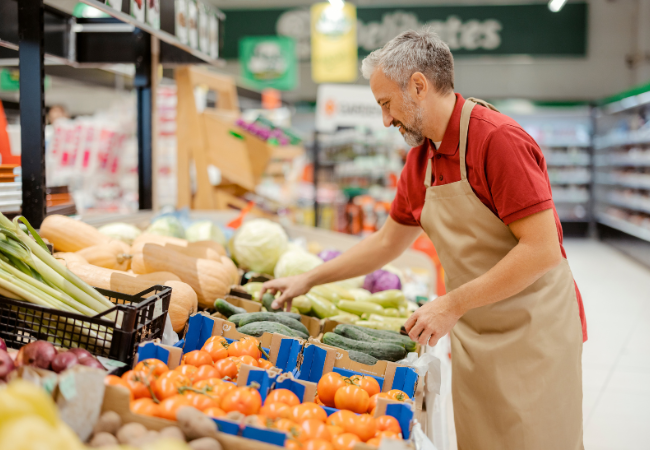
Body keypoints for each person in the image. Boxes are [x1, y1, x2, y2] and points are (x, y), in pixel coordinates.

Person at [262, 28, 586, 450]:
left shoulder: (497, 141)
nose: (385, 120)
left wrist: (452, 304)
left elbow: (541, 249)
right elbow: (385, 244)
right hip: (476, 332)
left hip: (534, 331)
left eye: (386, 104)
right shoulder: (421, 161)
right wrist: (309, 279)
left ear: (418, 86)